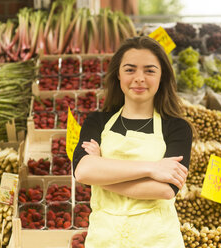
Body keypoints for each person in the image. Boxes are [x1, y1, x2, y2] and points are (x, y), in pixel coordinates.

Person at [72, 36, 193, 248]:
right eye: (130, 70)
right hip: (105, 240)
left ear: (161, 76)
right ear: (118, 74)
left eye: (149, 70)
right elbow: (83, 172)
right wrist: (152, 168)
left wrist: (102, 171)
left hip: (158, 241)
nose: (139, 78)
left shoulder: (177, 127)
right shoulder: (96, 121)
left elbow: (165, 189)